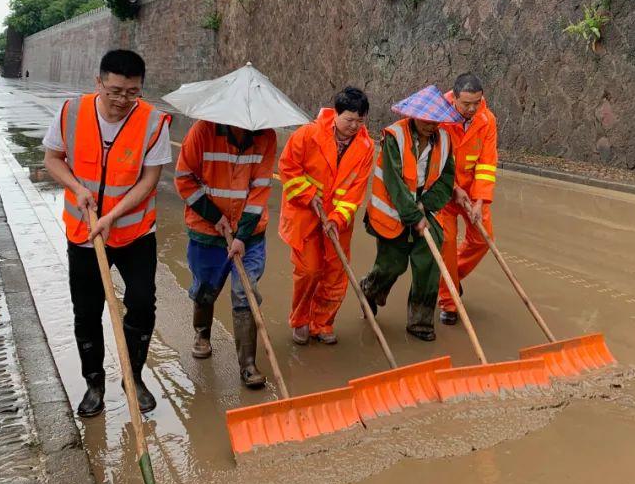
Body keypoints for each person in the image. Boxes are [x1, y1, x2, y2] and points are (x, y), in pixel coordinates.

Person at [42, 49, 172, 417]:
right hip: (84, 234)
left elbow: (150, 179)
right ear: (98, 83)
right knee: (87, 311)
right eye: (115, 91)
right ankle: (94, 382)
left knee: (143, 303)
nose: (122, 100)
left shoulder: (153, 122)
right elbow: (53, 158)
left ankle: (134, 377)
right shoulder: (71, 112)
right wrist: (77, 189)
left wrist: (113, 214)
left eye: (132, 92)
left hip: (134, 234)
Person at [175, 117, 277, 388]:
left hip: (250, 233)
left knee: (246, 291)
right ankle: (202, 334)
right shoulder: (202, 131)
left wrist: (242, 236)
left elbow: (260, 189)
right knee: (205, 288)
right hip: (207, 231)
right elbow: (184, 179)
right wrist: (213, 215)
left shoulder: (266, 136)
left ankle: (247, 365)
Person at [359, 86, 459, 341]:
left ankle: (421, 323)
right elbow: (394, 184)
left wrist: (425, 206)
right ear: (413, 115)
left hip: (425, 210)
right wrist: (413, 216)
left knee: (429, 264)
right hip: (392, 213)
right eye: (425, 120)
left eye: (435, 120)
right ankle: (369, 289)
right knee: (392, 265)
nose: (430, 125)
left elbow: (446, 182)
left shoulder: (445, 140)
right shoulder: (394, 137)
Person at [279, 88, 375, 345]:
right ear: (335, 114)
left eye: (360, 121)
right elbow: (288, 167)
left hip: (338, 222)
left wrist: (336, 219)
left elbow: (355, 192)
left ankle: (322, 323)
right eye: (349, 120)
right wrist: (308, 194)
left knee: (335, 273)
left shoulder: (366, 147)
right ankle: (300, 321)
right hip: (305, 215)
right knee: (309, 271)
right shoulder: (307, 135)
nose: (354, 126)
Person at [437, 73, 498, 325]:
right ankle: (449, 302)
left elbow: (486, 163)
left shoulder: (487, 120)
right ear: (454, 98)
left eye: (477, 102)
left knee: (483, 239)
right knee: (447, 243)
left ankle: (450, 277)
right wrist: (452, 188)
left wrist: (480, 200)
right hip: (442, 191)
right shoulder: (437, 115)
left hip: (472, 192)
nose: (472, 109)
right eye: (466, 104)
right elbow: (432, 160)